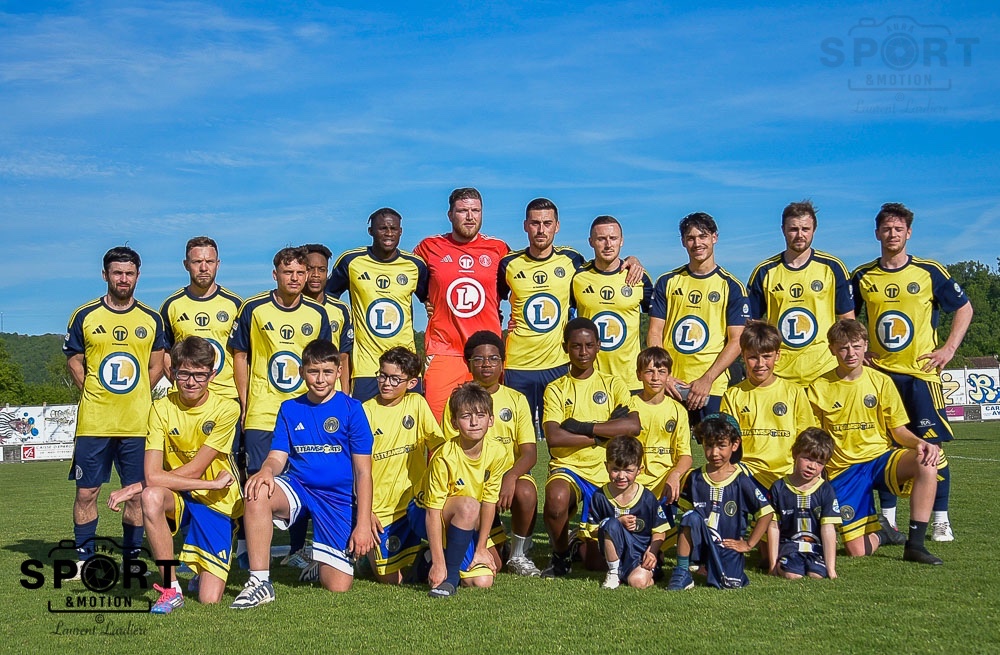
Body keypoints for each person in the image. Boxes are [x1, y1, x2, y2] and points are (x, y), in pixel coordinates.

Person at [851, 202, 973, 542]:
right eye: (886, 229)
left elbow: (964, 308)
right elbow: (846, 316)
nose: (892, 234)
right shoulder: (863, 276)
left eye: (898, 229)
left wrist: (949, 349)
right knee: (885, 448)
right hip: (880, 376)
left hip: (921, 376)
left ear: (909, 233)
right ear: (877, 233)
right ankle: (888, 520)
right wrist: (860, 350)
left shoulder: (929, 271)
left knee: (932, 448)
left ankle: (940, 519)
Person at [229, 340, 376, 608]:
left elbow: (363, 472)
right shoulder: (290, 408)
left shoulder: (352, 409)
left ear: (339, 372)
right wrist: (265, 471)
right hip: (300, 487)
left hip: (337, 498)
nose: (320, 379)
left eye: (327, 372)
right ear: (301, 372)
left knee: (338, 586)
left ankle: (318, 561)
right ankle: (260, 582)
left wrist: (363, 522)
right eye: (313, 372)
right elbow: (277, 456)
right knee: (257, 491)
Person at [107, 336, 242, 612]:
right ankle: (170, 588)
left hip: (216, 499)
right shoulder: (161, 407)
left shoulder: (227, 408)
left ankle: (201, 569)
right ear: (172, 372)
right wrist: (146, 485)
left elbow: (195, 468)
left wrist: (134, 486)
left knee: (209, 599)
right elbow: (153, 476)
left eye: (199, 374)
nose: (191, 382)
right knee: (151, 496)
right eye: (184, 374)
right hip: (183, 493)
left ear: (212, 374)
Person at [806, 319, 943, 565]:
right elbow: (816, 439)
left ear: (865, 346)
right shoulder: (819, 387)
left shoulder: (881, 381)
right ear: (832, 349)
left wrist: (918, 443)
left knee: (926, 460)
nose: (851, 353)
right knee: (857, 551)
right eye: (843, 348)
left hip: (880, 459)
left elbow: (898, 430)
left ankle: (915, 545)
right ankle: (883, 532)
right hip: (844, 470)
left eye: (856, 346)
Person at [63, 246, 167, 571]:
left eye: (129, 273)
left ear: (138, 276)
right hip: (94, 423)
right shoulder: (85, 315)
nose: (123, 279)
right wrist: (94, 391)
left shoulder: (151, 318)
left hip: (138, 423)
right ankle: (84, 558)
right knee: (86, 493)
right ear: (105, 275)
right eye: (117, 273)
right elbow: (75, 361)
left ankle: (131, 558)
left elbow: (156, 366)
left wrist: (137, 393)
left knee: (136, 495)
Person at [228, 247, 331, 566]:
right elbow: (240, 356)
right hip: (262, 412)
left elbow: (325, 362)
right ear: (275, 275)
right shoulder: (254, 308)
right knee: (257, 482)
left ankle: (297, 550)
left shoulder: (317, 314)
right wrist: (245, 401)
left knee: (302, 479)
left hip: (303, 412)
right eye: (288, 272)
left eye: (301, 273)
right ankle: (249, 553)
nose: (295, 278)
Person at [541, 317, 640, 578]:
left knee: (596, 563)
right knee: (556, 501)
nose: (583, 352)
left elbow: (633, 426)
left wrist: (582, 427)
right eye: (576, 346)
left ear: (598, 346)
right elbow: (554, 437)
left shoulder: (613, 384)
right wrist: (602, 436)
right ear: (565, 347)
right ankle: (561, 554)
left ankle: (579, 541)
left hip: (607, 471)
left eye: (588, 345)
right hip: (568, 467)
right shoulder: (556, 388)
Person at [441, 331, 539, 576]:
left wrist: (510, 477)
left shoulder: (516, 399)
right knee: (493, 564)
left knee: (526, 491)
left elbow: (529, 452)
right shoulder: (457, 400)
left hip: (505, 478)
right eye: (479, 359)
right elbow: (451, 450)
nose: (487, 364)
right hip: (470, 482)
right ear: (468, 364)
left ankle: (519, 554)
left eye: (493, 358)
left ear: (502, 363)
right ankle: (484, 540)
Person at [720, 321, 816, 570]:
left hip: (785, 475)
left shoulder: (794, 392)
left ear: (778, 355)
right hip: (749, 474)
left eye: (767, 356)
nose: (760, 364)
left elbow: (807, 441)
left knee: (777, 554)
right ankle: (725, 547)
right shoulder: (734, 395)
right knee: (725, 483)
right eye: (753, 357)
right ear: (743, 357)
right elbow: (727, 444)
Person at [414, 188, 510, 421]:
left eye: (475, 210)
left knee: (486, 425)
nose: (470, 217)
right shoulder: (429, 247)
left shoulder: (499, 249)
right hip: (444, 349)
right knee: (439, 426)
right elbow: (410, 278)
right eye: (462, 211)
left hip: (486, 352)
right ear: (450, 214)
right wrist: (427, 299)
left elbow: (511, 289)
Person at [648, 212, 750, 425]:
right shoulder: (667, 281)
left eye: (703, 236)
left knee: (716, 444)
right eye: (691, 238)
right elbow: (655, 332)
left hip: (712, 386)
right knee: (664, 444)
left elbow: (736, 340)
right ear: (683, 242)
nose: (697, 243)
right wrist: (664, 376)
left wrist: (707, 379)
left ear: (714, 237)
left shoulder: (731, 286)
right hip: (672, 385)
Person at [408, 382, 508, 597]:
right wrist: (439, 564)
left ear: (491, 420)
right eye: (466, 416)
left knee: (483, 580)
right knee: (469, 506)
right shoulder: (444, 457)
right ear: (454, 422)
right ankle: (450, 577)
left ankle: (425, 559)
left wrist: (481, 548)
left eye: (480, 415)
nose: (474, 422)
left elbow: (489, 502)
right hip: (423, 513)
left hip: (465, 515)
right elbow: (432, 513)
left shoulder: (498, 452)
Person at [746, 201, 854, 386]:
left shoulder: (833, 267)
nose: (800, 235)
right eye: (793, 229)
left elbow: (848, 322)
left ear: (814, 230)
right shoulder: (765, 271)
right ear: (783, 230)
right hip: (779, 372)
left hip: (824, 370)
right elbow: (752, 326)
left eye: (805, 229)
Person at [498, 198, 584, 429]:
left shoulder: (571, 260)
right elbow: (490, 301)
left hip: (558, 362)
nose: (541, 230)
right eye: (535, 223)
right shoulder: (509, 263)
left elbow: (603, 270)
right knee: (515, 434)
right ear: (525, 225)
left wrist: (631, 261)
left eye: (547, 223)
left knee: (562, 434)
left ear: (557, 226)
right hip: (518, 364)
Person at [327, 208, 429, 403]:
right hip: (366, 366)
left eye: (393, 228)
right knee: (364, 420)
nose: (389, 233)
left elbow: (430, 300)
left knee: (408, 420)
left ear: (400, 231)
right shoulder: (351, 261)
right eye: (382, 228)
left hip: (405, 364)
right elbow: (328, 298)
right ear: (371, 231)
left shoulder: (414, 265)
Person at [363, 347, 443, 584]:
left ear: (411, 383)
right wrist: (366, 512)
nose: (386, 383)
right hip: (381, 510)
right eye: (382, 375)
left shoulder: (416, 403)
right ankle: (364, 556)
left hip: (415, 503)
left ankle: (437, 552)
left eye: (395, 379)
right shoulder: (365, 411)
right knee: (391, 580)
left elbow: (439, 447)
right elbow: (355, 468)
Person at [667, 414, 774, 590]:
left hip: (727, 546)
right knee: (690, 517)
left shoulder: (741, 480)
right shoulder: (694, 477)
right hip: (702, 545)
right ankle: (683, 571)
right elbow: (687, 520)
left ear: (735, 445)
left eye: (721, 446)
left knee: (730, 584)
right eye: (709, 446)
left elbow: (766, 512)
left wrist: (748, 544)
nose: (714, 453)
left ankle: (711, 567)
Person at [571, 215, 653, 391]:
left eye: (613, 238)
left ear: (621, 241)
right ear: (591, 242)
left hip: (631, 380)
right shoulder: (578, 277)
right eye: (601, 239)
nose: (608, 244)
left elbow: (658, 324)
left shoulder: (638, 276)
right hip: (590, 379)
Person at [583, 436, 670, 590]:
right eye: (615, 469)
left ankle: (652, 569)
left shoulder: (647, 498)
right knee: (610, 523)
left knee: (637, 582)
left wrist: (652, 552)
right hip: (615, 555)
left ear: (639, 470)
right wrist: (616, 523)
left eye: (628, 470)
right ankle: (614, 572)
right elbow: (593, 531)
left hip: (641, 554)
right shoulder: (599, 497)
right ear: (606, 466)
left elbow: (660, 531)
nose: (621, 476)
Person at [770, 427, 841, 580]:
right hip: (789, 547)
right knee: (792, 575)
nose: (812, 466)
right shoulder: (779, 488)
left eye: (819, 462)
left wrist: (831, 570)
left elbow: (828, 528)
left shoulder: (825, 490)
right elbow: (773, 527)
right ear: (795, 454)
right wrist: (772, 564)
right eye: (808, 459)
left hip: (815, 549)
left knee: (817, 575)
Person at [634, 347, 692, 527]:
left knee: (698, 481)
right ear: (638, 375)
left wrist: (675, 474)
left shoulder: (678, 410)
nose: (655, 377)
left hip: (666, 482)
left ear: (669, 376)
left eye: (661, 372)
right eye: (649, 372)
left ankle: (699, 532)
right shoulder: (629, 406)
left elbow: (686, 456)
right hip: (635, 481)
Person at [302, 243, 353, 394]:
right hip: (299, 390)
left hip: (331, 392)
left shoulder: (340, 309)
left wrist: (345, 394)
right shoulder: (290, 307)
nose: (316, 275)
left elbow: (344, 356)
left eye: (322, 270)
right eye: (310, 269)